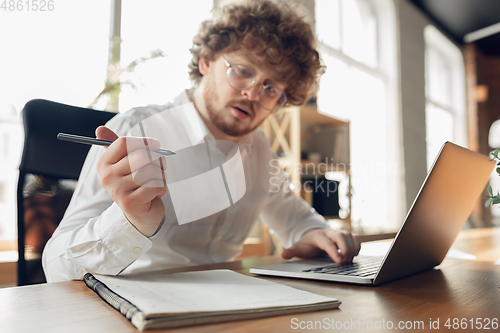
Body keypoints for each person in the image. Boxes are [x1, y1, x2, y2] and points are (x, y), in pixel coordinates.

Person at [42, 0, 361, 282]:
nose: (252, 93)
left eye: (271, 88)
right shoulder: (137, 130)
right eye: (242, 71)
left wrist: (316, 234)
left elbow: (292, 216)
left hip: (230, 304)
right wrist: (130, 220)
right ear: (206, 61)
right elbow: (56, 267)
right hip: (139, 307)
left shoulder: (258, 148)